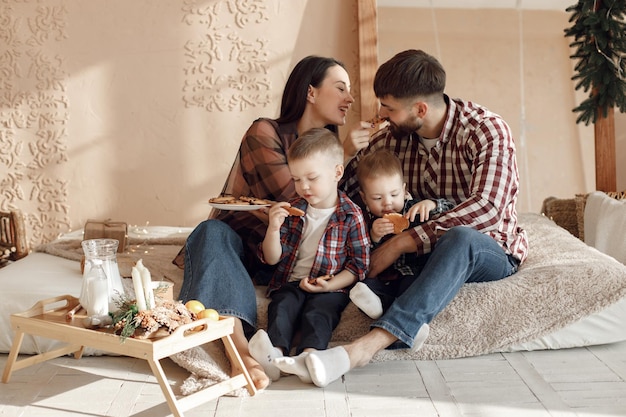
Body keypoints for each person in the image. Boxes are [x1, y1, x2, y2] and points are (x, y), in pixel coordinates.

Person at [302, 49, 529, 388]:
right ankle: (304, 346)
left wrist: (403, 241)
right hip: (419, 257)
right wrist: (348, 153)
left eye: (389, 107)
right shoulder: (389, 138)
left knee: (461, 237)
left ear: (420, 109)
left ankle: (366, 347)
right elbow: (345, 197)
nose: (381, 114)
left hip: (488, 250)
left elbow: (488, 209)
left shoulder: (486, 131)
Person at [176, 55, 372, 391]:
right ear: (311, 92)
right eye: (341, 88)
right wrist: (344, 152)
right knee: (208, 232)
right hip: (248, 246)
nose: (350, 99)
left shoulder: (335, 158)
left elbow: (348, 213)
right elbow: (291, 202)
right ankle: (240, 351)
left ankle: (286, 352)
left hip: (288, 267)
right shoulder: (264, 131)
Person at [247, 128, 369, 383]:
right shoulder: (294, 210)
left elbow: (359, 266)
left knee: (319, 314)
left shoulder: (351, 214)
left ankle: (311, 357)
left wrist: (330, 284)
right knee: (282, 307)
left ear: (337, 172)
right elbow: (271, 258)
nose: (303, 187)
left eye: (311, 178)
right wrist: (273, 227)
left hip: (329, 287)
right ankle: (275, 356)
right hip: (292, 281)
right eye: (296, 179)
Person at [349, 149, 454, 320]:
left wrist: (432, 204)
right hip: (385, 276)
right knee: (366, 287)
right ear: (365, 197)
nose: (387, 202)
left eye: (394, 194)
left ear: (404, 190)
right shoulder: (365, 219)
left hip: (414, 271)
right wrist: (374, 236)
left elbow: (451, 211)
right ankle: (378, 307)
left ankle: (399, 314)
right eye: (377, 198)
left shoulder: (414, 208)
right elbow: (360, 254)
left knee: (410, 287)